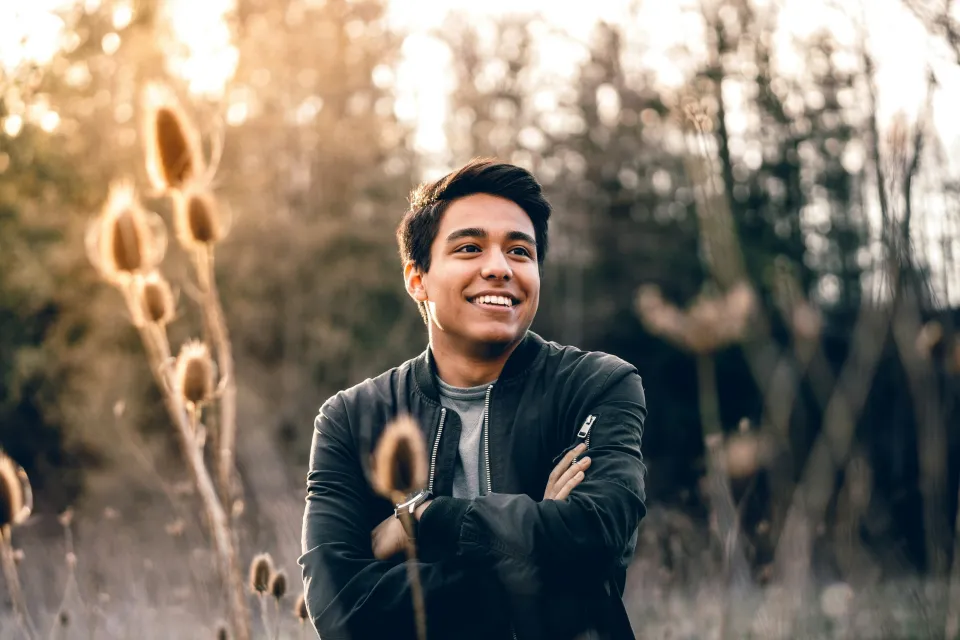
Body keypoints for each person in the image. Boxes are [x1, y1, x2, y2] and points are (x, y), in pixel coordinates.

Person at [299, 158, 647, 639]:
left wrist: (423, 520)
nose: (499, 268)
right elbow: (342, 610)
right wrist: (535, 545)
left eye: (520, 252)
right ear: (416, 278)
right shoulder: (352, 418)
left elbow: (597, 539)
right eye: (469, 247)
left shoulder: (595, 385)